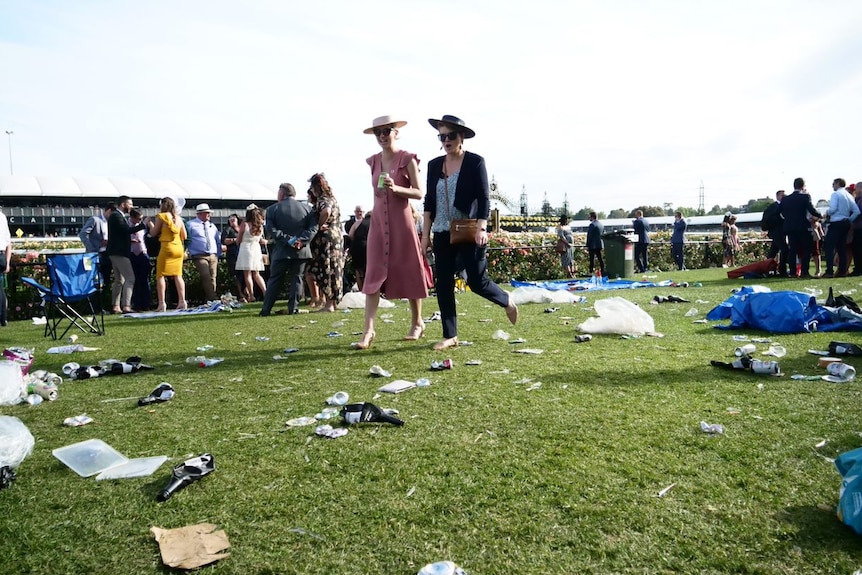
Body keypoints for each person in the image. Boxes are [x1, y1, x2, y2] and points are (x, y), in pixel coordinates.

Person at [422, 114, 518, 351]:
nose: (446, 140)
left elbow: (484, 197)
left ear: (461, 136)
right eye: (442, 136)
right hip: (442, 231)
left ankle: (505, 299)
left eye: (450, 136)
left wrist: (481, 227)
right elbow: (428, 203)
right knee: (443, 283)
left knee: (475, 280)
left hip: (468, 229)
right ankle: (450, 335)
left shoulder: (475, 162)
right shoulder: (434, 165)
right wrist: (425, 236)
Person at [353, 116, 429, 349]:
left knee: (409, 269)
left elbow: (419, 192)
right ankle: (368, 331)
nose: (382, 136)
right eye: (378, 133)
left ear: (396, 132)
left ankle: (417, 322)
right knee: (373, 274)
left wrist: (396, 188)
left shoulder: (407, 159)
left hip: (402, 222)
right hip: (378, 224)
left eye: (386, 131)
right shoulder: (373, 161)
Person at [260, 183, 318, 316]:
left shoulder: (272, 209)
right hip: (301, 251)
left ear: (281, 193)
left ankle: (266, 309)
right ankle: (293, 308)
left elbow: (271, 229)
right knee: (297, 278)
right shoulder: (308, 209)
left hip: (282, 250)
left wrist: (289, 240)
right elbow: (313, 228)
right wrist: (301, 240)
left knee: (275, 280)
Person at [306, 173, 344, 313]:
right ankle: (332, 303)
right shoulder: (333, 199)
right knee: (334, 269)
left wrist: (319, 225)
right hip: (336, 236)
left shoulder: (324, 200)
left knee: (327, 268)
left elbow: (326, 211)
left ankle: (328, 305)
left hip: (326, 238)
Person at [105, 195, 145, 314]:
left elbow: (120, 233)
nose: (132, 207)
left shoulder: (116, 216)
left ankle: (116, 306)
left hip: (115, 252)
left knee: (119, 280)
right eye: (130, 204)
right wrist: (143, 225)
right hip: (119, 253)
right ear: (123, 205)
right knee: (130, 278)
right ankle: (126, 306)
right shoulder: (116, 216)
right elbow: (126, 231)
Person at [147, 196, 187, 311]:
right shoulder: (179, 218)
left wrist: (150, 224)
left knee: (160, 275)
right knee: (178, 275)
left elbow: (154, 233)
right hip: (178, 247)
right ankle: (182, 301)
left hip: (167, 247)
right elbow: (184, 235)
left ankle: (162, 303)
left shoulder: (162, 216)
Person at [781, 177, 821, 278]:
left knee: (792, 250)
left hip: (790, 228)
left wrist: (787, 218)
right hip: (803, 227)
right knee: (806, 249)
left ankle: (793, 272)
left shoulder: (786, 199)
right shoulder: (805, 197)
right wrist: (820, 215)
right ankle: (804, 272)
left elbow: (779, 211)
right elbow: (811, 210)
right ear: (803, 186)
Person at [823, 178, 860, 278]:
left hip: (836, 222)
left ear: (838, 184)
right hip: (845, 222)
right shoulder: (849, 196)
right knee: (841, 247)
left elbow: (833, 208)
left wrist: (827, 212)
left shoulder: (835, 194)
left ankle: (829, 271)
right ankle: (842, 270)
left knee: (829, 247)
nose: (832, 185)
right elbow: (857, 211)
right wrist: (849, 219)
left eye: (833, 183)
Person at [186, 203, 222, 302]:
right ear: (200, 214)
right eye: (207, 213)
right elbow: (187, 239)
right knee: (206, 276)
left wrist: (218, 254)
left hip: (213, 254)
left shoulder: (212, 225)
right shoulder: (191, 225)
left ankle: (210, 298)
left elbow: (217, 240)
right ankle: (213, 297)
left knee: (213, 277)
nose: (209, 215)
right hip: (199, 255)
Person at [79, 203, 112, 305]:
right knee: (94, 281)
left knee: (106, 281)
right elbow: (83, 234)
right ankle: (94, 306)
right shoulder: (95, 220)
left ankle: (103, 305)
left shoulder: (111, 223)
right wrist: (92, 248)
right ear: (109, 211)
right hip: (94, 255)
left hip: (107, 254)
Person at [235, 204, 268, 302]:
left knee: (247, 274)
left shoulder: (245, 224)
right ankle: (265, 292)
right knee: (257, 273)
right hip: (256, 248)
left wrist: (237, 241)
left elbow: (239, 239)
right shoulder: (260, 225)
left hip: (246, 248)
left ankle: (251, 295)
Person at [128, 208, 152, 311]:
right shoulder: (126, 225)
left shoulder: (143, 226)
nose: (139, 221)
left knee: (145, 279)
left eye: (141, 219)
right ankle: (136, 303)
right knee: (134, 280)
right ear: (132, 218)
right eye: (138, 219)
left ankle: (146, 303)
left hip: (143, 253)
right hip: (132, 253)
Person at [763, 190, 788, 276]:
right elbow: (769, 220)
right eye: (782, 195)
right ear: (777, 196)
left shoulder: (781, 206)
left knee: (773, 251)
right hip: (776, 232)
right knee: (784, 249)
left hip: (781, 232)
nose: (784, 197)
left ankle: (765, 268)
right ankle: (782, 270)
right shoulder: (773, 207)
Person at [222, 213, 245, 299]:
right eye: (230, 219)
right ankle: (240, 295)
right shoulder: (227, 229)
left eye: (234, 219)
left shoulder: (242, 228)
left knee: (245, 274)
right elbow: (224, 241)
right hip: (233, 255)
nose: (232, 220)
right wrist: (235, 240)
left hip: (243, 254)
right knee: (237, 275)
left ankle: (247, 292)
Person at [348, 210, 371, 290]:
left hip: (357, 246)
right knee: (368, 268)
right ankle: (369, 288)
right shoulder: (375, 223)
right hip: (369, 247)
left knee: (358, 269)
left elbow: (350, 235)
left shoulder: (358, 222)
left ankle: (361, 289)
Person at [0, 208, 11, 326]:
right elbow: (8, 242)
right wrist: (7, 262)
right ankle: (3, 318)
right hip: (1, 256)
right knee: (0, 290)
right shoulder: (2, 216)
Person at [585, 212, 604, 277]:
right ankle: (602, 270)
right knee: (600, 258)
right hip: (599, 244)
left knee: (592, 259)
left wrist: (587, 245)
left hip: (593, 244)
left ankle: (591, 272)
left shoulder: (592, 225)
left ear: (592, 217)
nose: (589, 218)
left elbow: (589, 236)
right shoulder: (601, 224)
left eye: (589, 216)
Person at [852, 182, 862, 276]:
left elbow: (858, 212)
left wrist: (851, 219)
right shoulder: (857, 199)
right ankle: (858, 267)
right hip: (857, 227)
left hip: (859, 227)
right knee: (856, 249)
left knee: (858, 249)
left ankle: (859, 268)